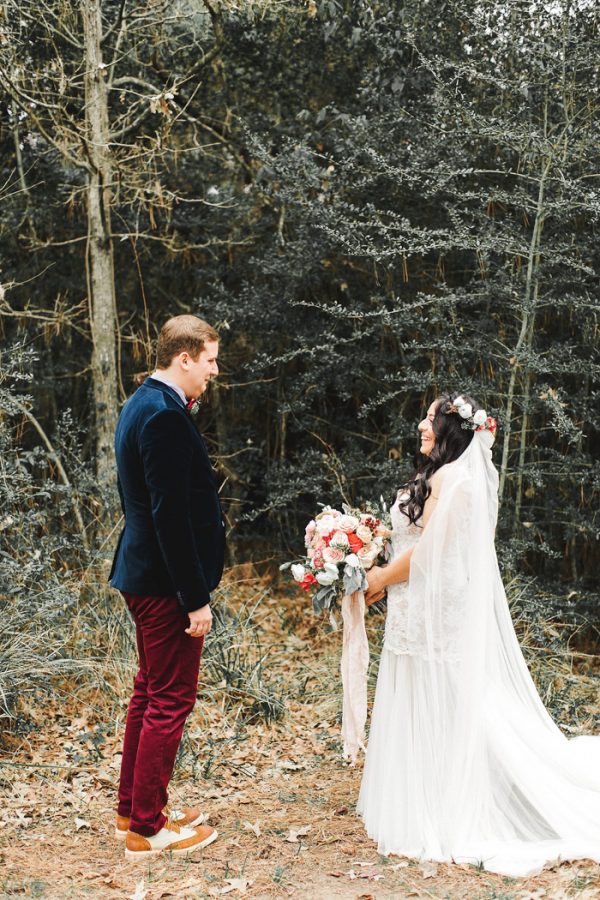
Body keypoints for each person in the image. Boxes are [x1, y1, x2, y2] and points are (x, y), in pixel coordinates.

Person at [359, 392, 600, 877]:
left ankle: (457, 798)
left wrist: (382, 579)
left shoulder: (461, 483)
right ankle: (419, 789)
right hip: (412, 607)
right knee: (418, 691)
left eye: (429, 419)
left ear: (453, 429)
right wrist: (365, 550)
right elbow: (411, 537)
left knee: (450, 698)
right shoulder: (432, 476)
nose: (421, 426)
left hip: (438, 612)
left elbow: (433, 552)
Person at [109, 315, 226, 859]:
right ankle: (148, 831)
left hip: (143, 573)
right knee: (169, 698)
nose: (213, 372)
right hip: (163, 582)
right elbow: (170, 516)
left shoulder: (141, 403)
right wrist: (195, 596)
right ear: (184, 358)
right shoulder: (162, 416)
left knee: (147, 691)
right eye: (209, 361)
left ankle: (132, 810)